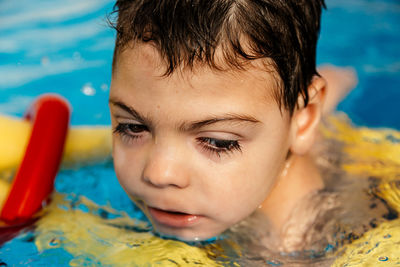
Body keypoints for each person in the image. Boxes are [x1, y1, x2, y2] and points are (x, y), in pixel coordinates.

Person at [107, 0, 357, 252]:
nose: (158, 174)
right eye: (133, 128)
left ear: (302, 121)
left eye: (217, 142)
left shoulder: (298, 249)